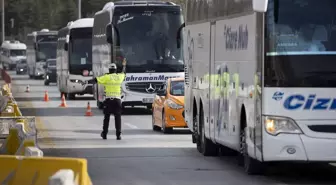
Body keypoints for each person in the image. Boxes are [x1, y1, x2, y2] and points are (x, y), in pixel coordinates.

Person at [87, 59, 126, 140]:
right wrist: (124, 65)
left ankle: (104, 134)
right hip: (117, 100)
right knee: (117, 118)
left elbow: (95, 80)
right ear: (115, 70)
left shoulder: (106, 77)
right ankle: (118, 135)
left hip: (109, 100)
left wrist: (87, 82)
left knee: (106, 118)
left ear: (109, 70)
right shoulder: (119, 77)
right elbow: (123, 73)